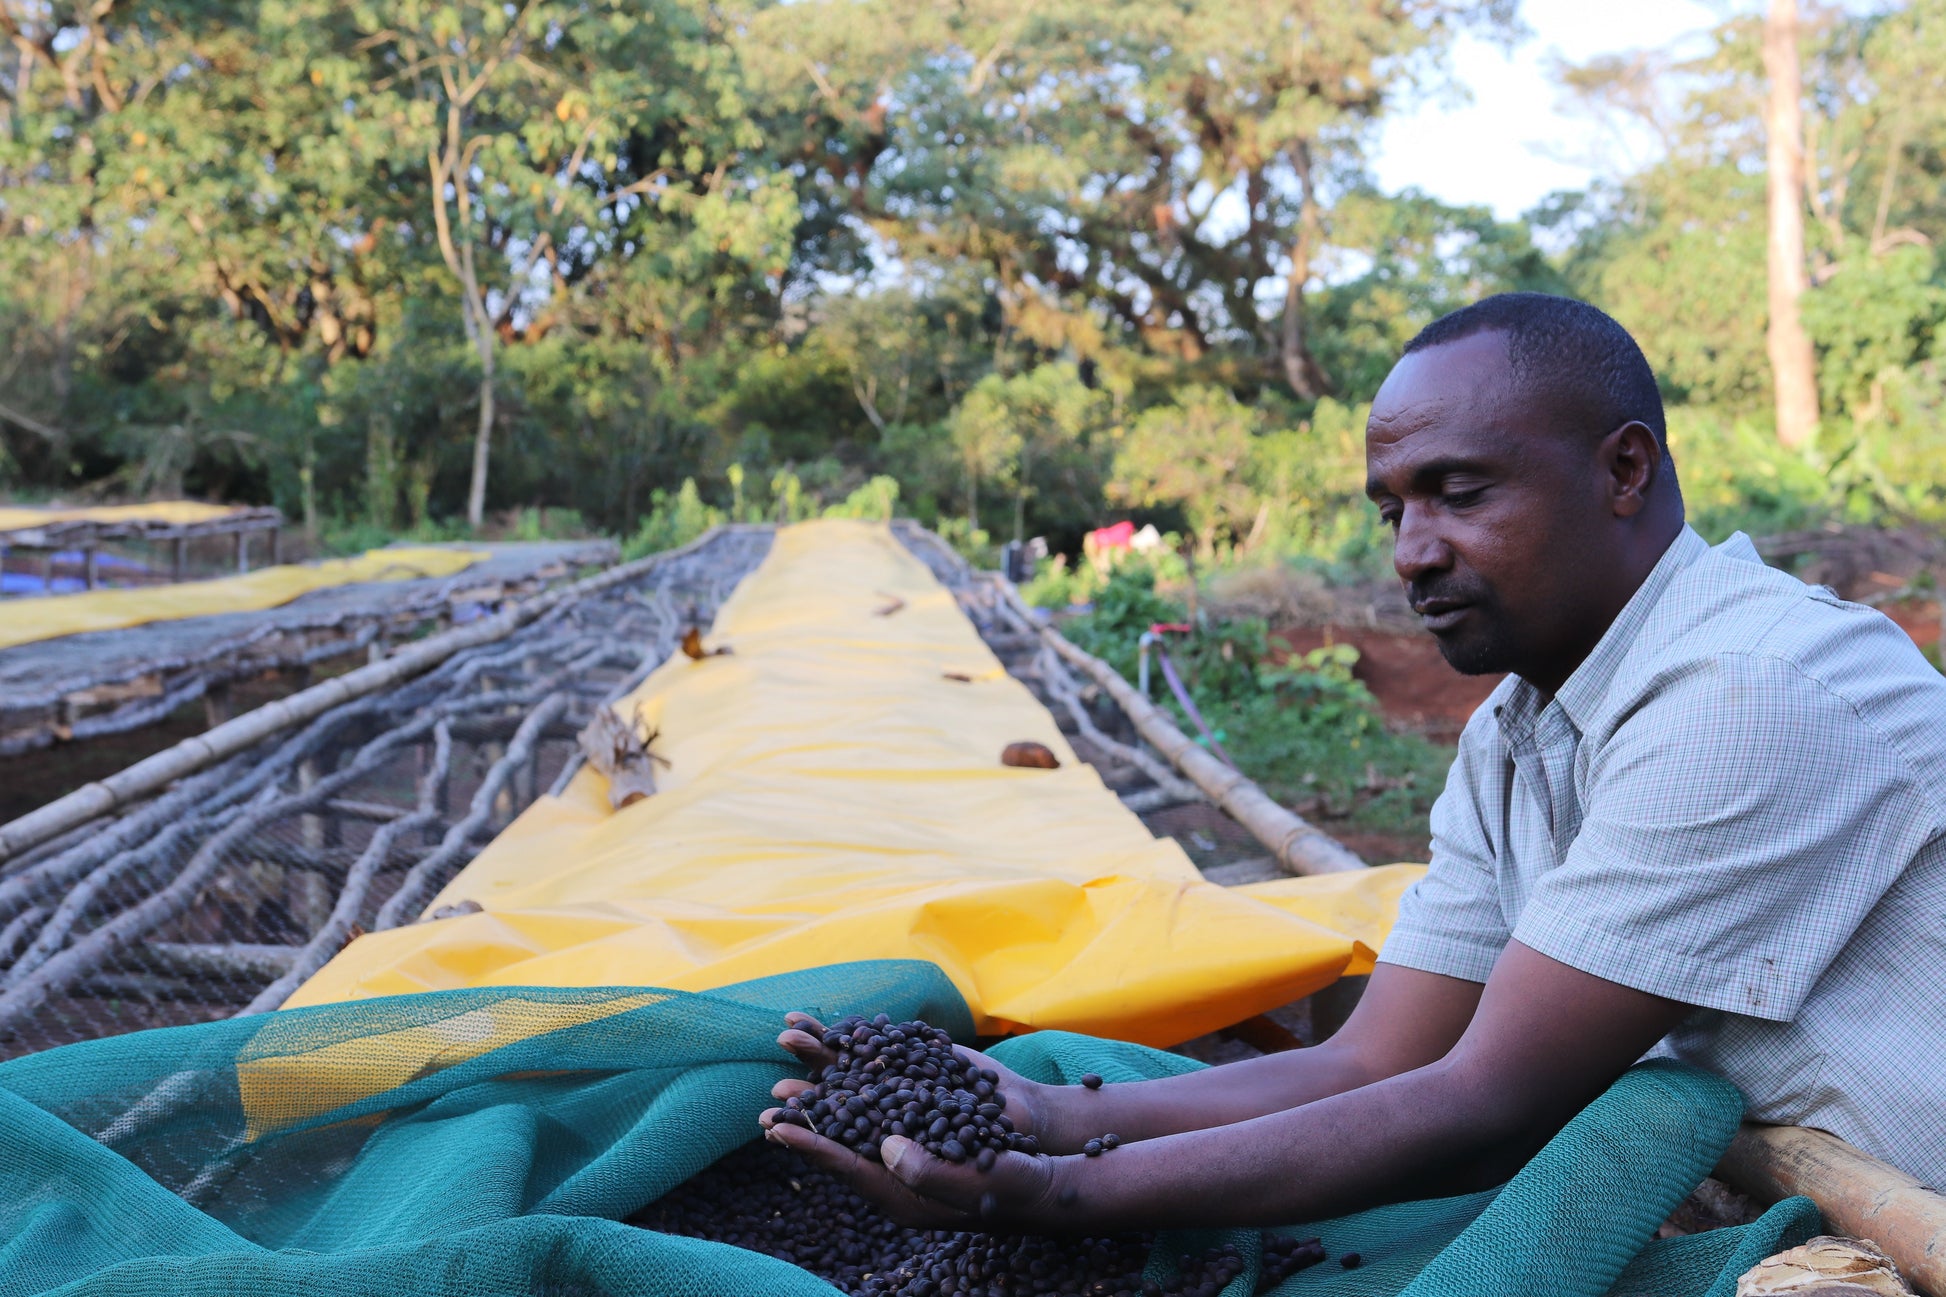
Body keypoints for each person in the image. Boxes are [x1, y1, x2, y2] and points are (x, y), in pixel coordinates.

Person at [760, 293, 1946, 1229]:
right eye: (1391, 510)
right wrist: (1044, 1113)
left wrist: (1061, 1195)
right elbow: (1379, 1055)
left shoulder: (1744, 690)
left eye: (1458, 492)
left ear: (1622, 470)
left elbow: (1481, 1103)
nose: (1412, 552)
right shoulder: (1512, 735)